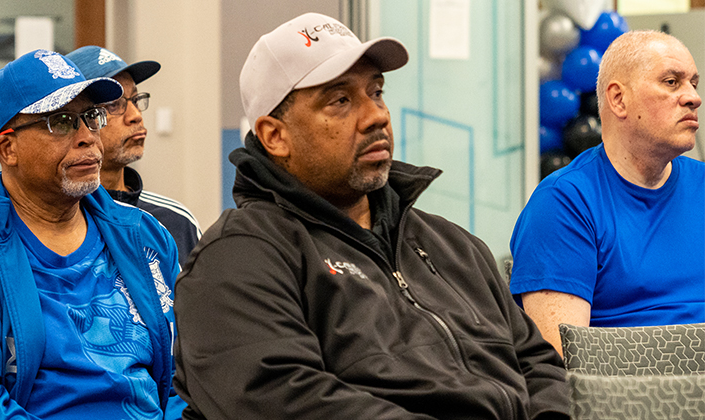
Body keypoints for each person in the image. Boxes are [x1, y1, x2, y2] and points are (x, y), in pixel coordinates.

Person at [172, 13, 570, 419]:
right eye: (340, 100)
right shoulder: (239, 257)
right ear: (276, 136)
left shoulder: (452, 245)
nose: (377, 115)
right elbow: (282, 400)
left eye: (376, 92)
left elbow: (537, 366)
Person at [0, 49, 183, 420]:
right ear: (8, 148)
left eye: (91, 117)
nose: (88, 137)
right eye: (62, 122)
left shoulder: (145, 235)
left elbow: (186, 377)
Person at [510, 30, 705, 355]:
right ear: (618, 99)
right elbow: (562, 368)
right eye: (672, 82)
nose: (692, 97)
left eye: (693, 83)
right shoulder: (564, 204)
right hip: (634, 398)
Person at [66, 46, 203, 266]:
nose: (136, 116)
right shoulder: (58, 224)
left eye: (136, 100)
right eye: (113, 105)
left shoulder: (175, 221)